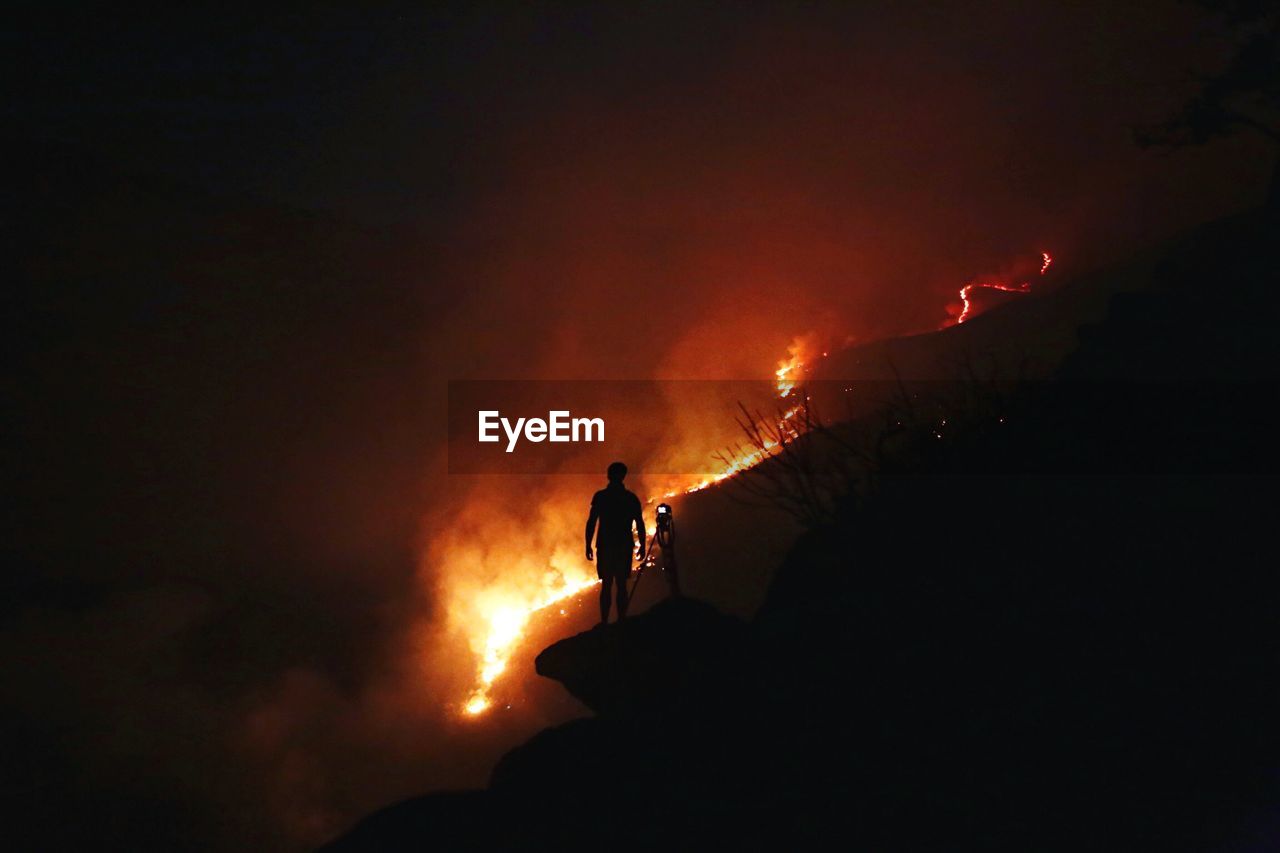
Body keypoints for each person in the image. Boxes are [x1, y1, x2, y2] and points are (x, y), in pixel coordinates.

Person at [585, 461, 645, 624]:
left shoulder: (601, 497)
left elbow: (591, 522)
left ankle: (605, 621)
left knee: (607, 584)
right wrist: (643, 545)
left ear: (608, 475)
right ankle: (621, 620)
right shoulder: (630, 498)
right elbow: (639, 523)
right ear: (623, 476)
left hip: (605, 545)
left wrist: (588, 544)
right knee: (621, 584)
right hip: (623, 545)